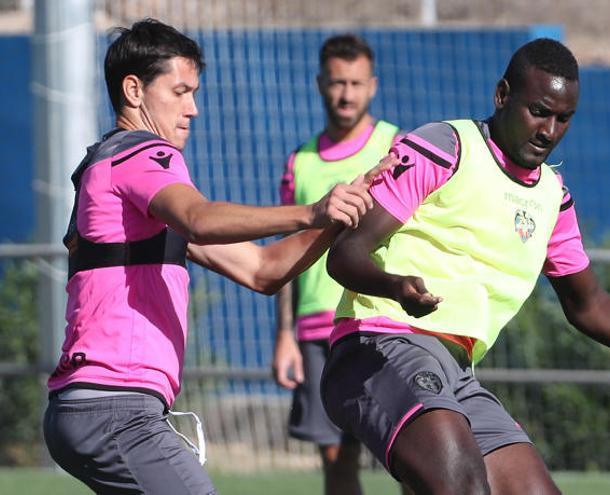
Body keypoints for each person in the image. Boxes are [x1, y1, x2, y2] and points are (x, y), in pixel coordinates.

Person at [321, 38, 610, 494]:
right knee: (461, 483)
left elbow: (591, 306)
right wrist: (395, 285)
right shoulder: (446, 147)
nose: (549, 130)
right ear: (503, 95)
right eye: (539, 111)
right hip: (377, 347)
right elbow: (345, 253)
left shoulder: (552, 198)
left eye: (564, 118)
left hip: (456, 372)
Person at [42, 19, 393, 495]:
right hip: (114, 408)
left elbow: (262, 270)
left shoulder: (133, 187)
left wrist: (339, 214)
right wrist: (311, 209)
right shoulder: (141, 155)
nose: (194, 109)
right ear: (133, 90)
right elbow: (202, 218)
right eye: (181, 91)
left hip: (100, 406)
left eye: (195, 92)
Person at [272, 34, 400, 495]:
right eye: (336, 83)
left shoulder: (396, 148)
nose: (345, 94)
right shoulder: (300, 161)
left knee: (412, 457)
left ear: (372, 86)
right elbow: (284, 253)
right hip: (316, 334)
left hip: (381, 326)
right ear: (319, 84)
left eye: (355, 83)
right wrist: (284, 334)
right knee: (336, 461)